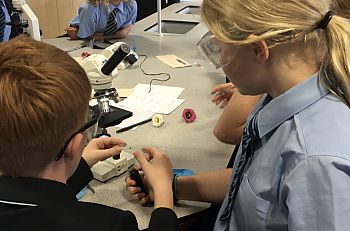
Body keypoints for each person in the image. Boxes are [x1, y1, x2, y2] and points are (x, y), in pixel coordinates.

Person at [127, 0, 350, 230]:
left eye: (220, 49)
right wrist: (173, 186)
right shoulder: (275, 96)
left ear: (258, 50)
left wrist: (164, 196)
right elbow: (251, 183)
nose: (219, 64)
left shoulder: (316, 164)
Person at [0, 36, 178, 231]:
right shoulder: (110, 224)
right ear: (74, 145)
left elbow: (37, 202)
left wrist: (79, 166)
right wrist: (163, 192)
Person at [65, 0, 137, 41]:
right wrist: (119, 34)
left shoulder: (131, 4)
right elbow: (88, 37)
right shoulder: (89, 9)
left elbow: (127, 27)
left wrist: (119, 34)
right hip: (79, 34)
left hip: (108, 38)